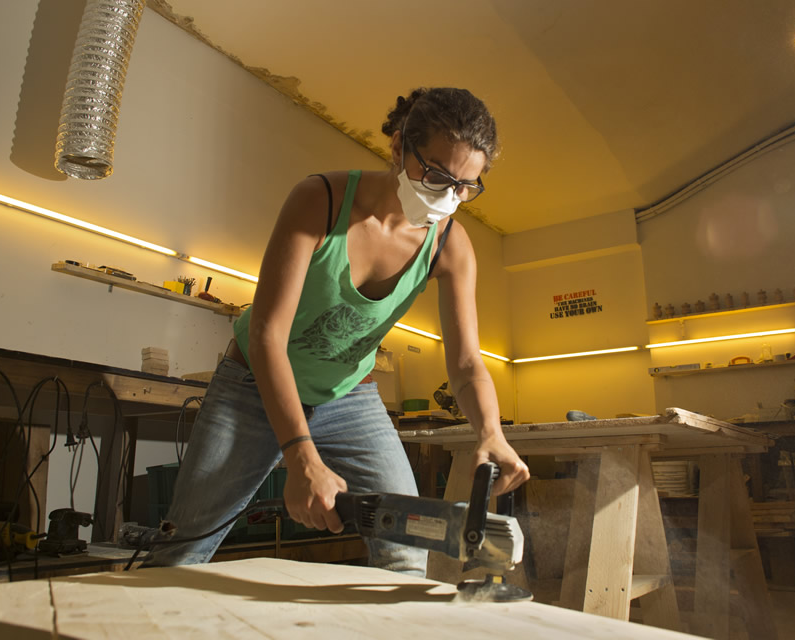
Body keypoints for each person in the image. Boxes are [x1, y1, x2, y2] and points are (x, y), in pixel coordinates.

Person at [143, 87, 530, 577]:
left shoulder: (450, 246)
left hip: (348, 396)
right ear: (398, 147)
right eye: (436, 176)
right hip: (252, 387)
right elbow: (266, 335)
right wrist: (300, 455)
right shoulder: (320, 201)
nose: (447, 198)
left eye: (464, 186)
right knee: (183, 548)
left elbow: (467, 363)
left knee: (408, 545)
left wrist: (491, 433)